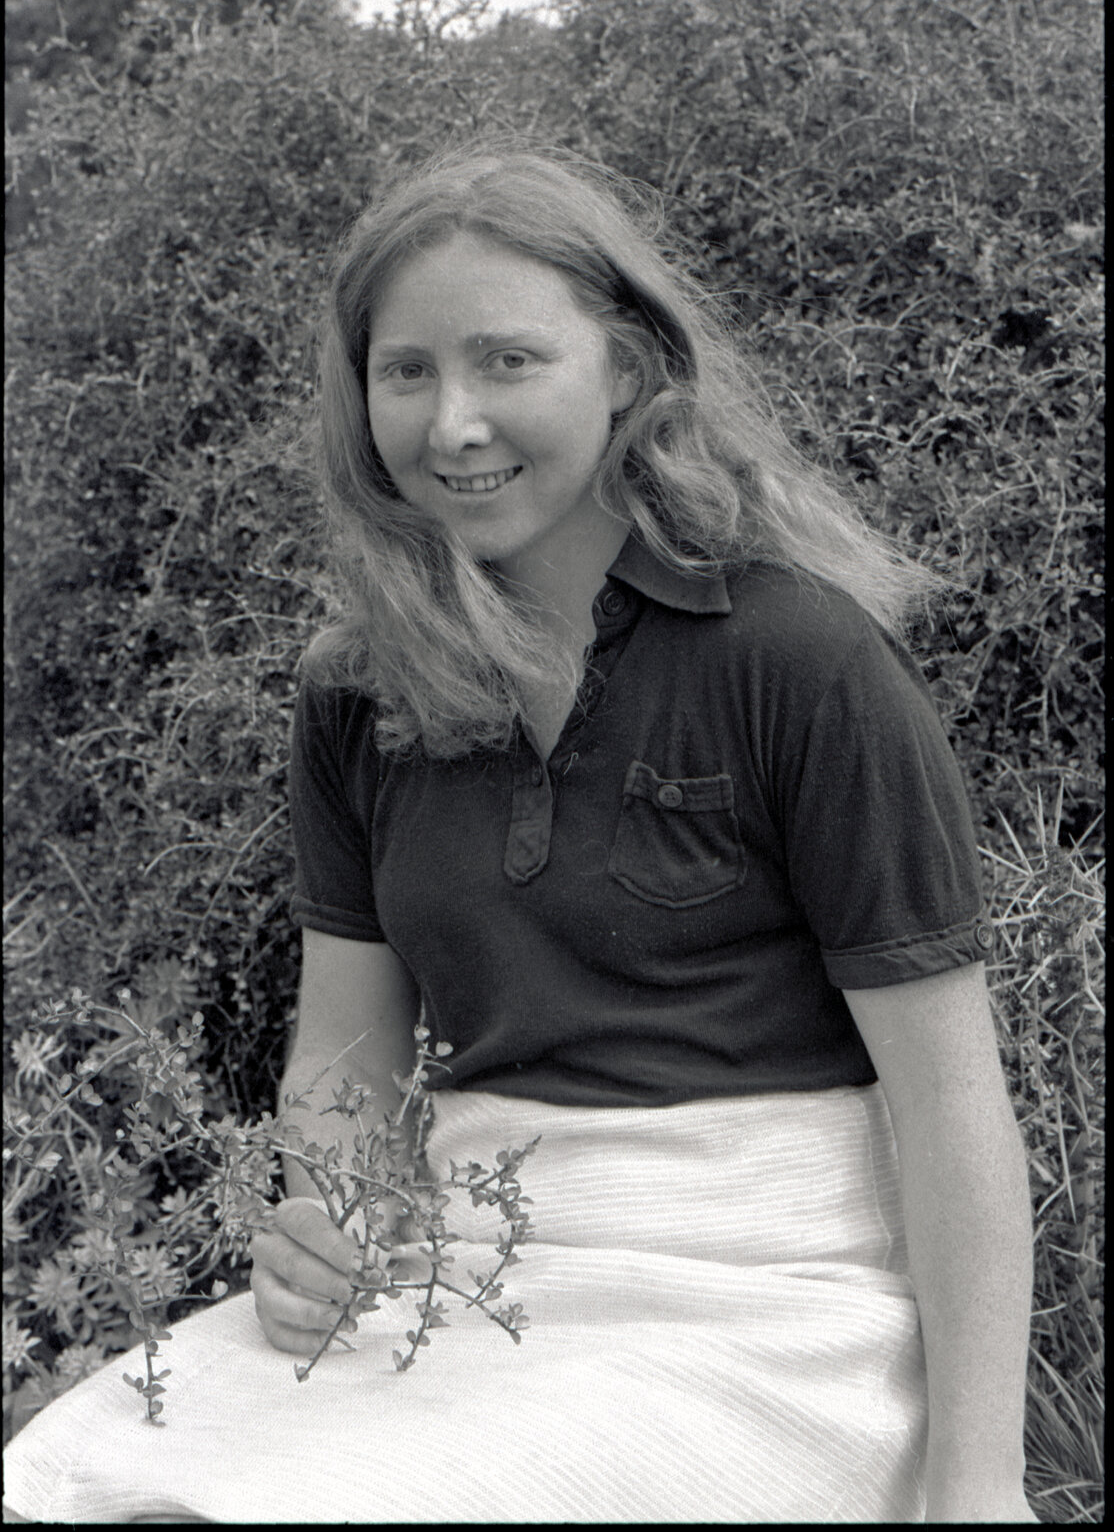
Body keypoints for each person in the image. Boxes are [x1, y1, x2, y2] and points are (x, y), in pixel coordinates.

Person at [2, 140, 1037, 1524]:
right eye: (407, 371)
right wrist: (321, 1223)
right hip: (459, 1284)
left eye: (507, 361)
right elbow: (345, 1059)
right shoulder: (354, 690)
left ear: (624, 369)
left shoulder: (797, 658)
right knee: (87, 1480)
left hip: (764, 1313)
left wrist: (977, 1485)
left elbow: (951, 1105)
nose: (453, 425)